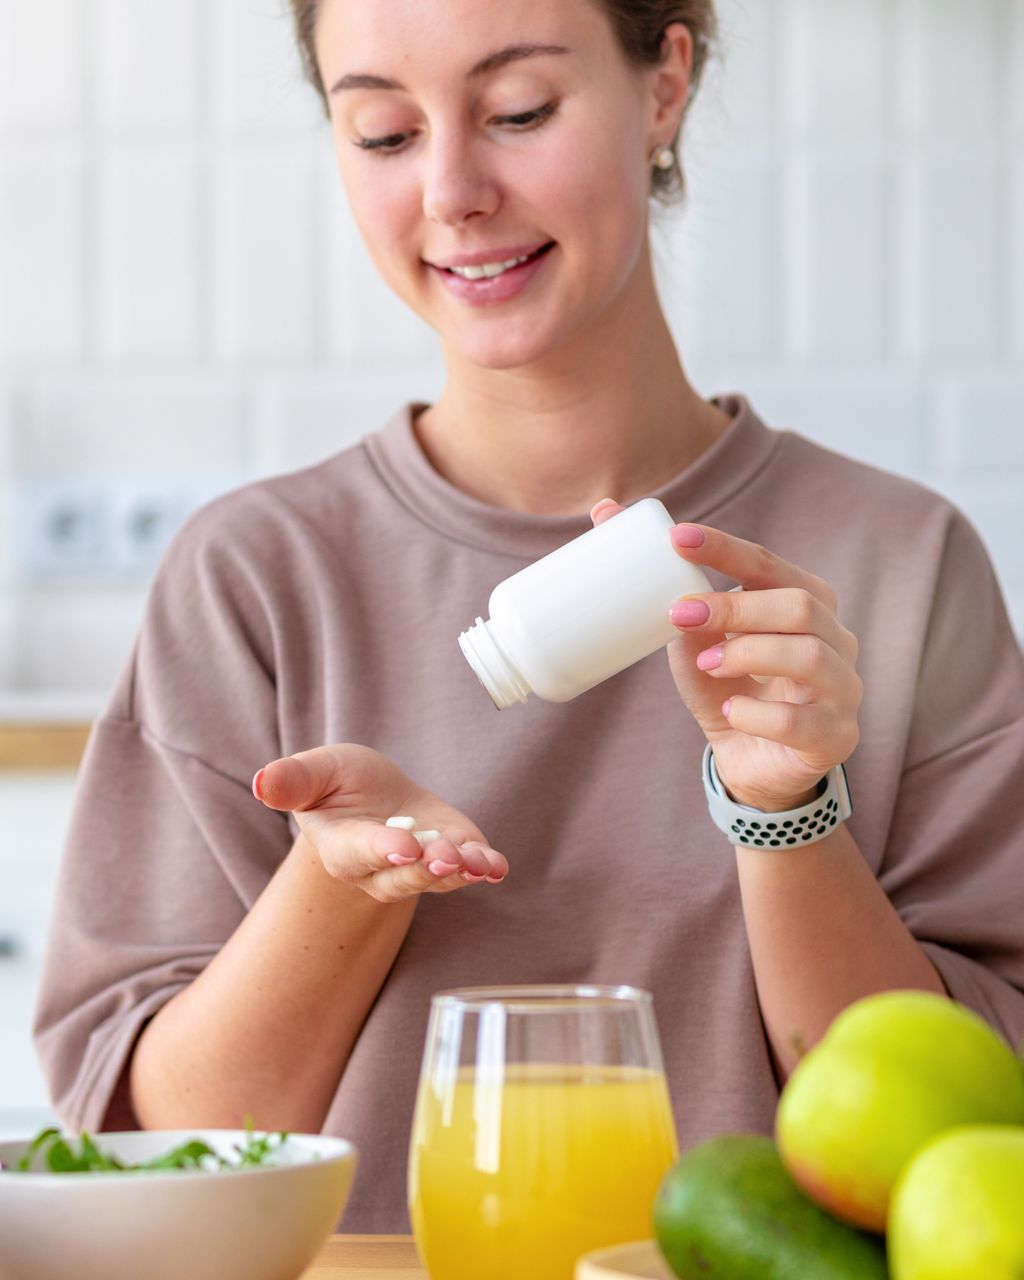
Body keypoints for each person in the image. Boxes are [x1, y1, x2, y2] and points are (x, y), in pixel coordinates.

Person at [34, 0, 1024, 1235]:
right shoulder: (254, 577)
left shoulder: (899, 563)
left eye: (517, 111)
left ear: (663, 85)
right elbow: (148, 1154)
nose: (452, 192)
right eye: (385, 133)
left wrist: (785, 815)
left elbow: (969, 1131)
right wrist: (337, 890)